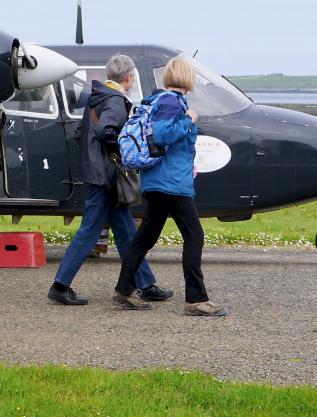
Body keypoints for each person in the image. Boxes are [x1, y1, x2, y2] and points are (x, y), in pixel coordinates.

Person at [48, 55, 172, 306]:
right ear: (129, 77)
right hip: (107, 177)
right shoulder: (116, 100)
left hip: (99, 173)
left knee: (126, 231)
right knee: (89, 232)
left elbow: (82, 134)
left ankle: (146, 284)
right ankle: (60, 285)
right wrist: (125, 148)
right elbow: (106, 131)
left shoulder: (99, 96)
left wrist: (95, 156)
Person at [111, 56, 227, 316]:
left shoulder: (162, 100)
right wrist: (188, 119)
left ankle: (124, 289)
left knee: (145, 237)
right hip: (171, 184)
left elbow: (171, 144)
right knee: (194, 236)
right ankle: (196, 300)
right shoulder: (171, 102)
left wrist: (189, 163)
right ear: (188, 78)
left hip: (160, 180)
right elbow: (163, 135)